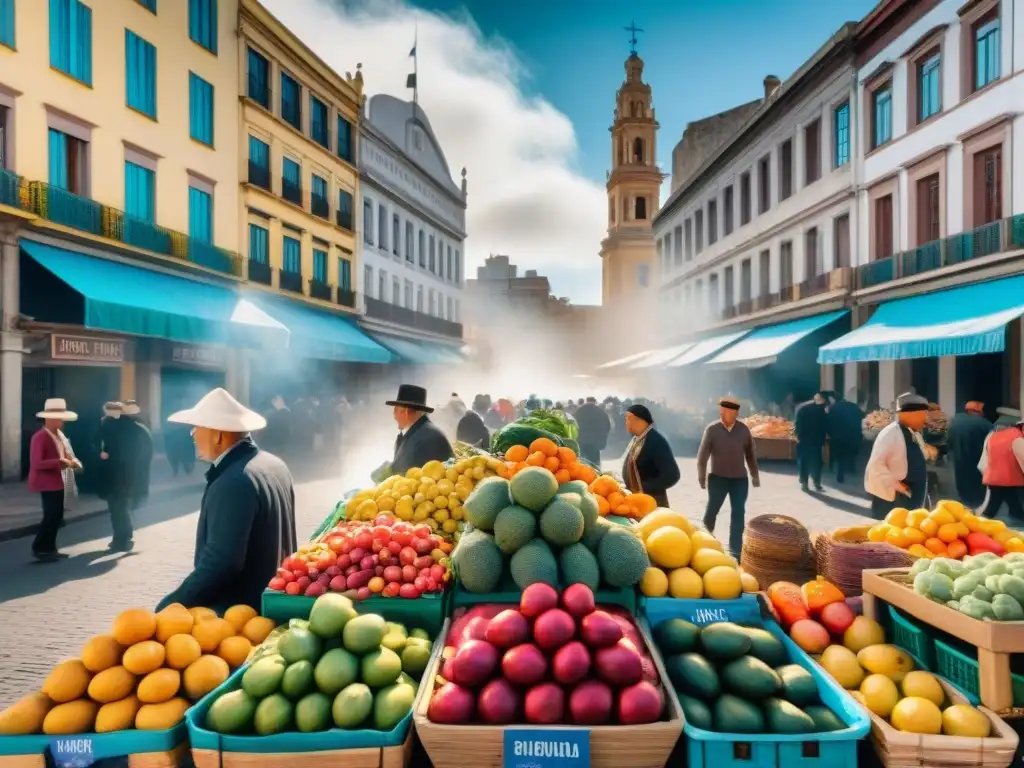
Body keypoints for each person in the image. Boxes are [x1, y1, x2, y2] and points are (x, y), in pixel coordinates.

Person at [156, 388, 297, 612]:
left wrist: (173, 604)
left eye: (197, 428)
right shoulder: (274, 465)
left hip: (241, 615)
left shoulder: (235, 481)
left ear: (218, 435)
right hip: (272, 599)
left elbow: (221, 562)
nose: (192, 434)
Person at [697, 397, 760, 557]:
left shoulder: (744, 430)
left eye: (731, 412)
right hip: (718, 479)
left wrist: (754, 475)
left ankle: (735, 551)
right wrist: (701, 477)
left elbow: (751, 454)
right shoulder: (712, 429)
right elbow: (703, 455)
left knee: (738, 513)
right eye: (725, 411)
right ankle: (704, 542)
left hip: (739, 480)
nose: (726, 414)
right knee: (712, 510)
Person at [28, 398, 82, 562]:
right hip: (47, 483)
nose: (62, 421)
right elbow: (37, 463)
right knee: (51, 516)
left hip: (59, 481)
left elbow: (65, 454)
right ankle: (40, 548)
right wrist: (60, 462)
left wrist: (72, 461)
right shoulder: (40, 437)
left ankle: (50, 548)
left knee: (57, 517)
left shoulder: (59, 436)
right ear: (49, 418)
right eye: (59, 418)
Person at [864, 392, 930, 518]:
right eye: (923, 414)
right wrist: (900, 487)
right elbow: (876, 465)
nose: (925, 419)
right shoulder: (890, 433)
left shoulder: (913, 433)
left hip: (910, 496)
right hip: (894, 498)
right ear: (911, 414)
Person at [621, 404, 680, 508]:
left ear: (640, 420)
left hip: (653, 503)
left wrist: (644, 488)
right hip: (636, 502)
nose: (626, 423)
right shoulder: (636, 439)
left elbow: (672, 475)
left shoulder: (655, 441)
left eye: (629, 419)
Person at [388, 385, 454, 475]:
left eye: (396, 410)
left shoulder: (428, 439)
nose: (394, 416)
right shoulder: (418, 432)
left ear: (406, 412)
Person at [977, 409, 1024, 520]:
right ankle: (978, 524)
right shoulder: (1017, 436)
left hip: (995, 477)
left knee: (1013, 504)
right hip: (1012, 478)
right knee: (993, 507)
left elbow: (985, 458)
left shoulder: (992, 436)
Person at [947, 401, 992, 508]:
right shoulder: (985, 424)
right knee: (977, 484)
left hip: (958, 457)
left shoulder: (955, 421)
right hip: (978, 459)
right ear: (978, 411)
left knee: (962, 480)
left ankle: (964, 504)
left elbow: (948, 440)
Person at [122, 400, 154, 512]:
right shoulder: (129, 426)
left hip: (137, 461)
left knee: (137, 481)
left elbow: (146, 447)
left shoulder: (139, 428)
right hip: (132, 461)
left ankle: (136, 502)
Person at [827, 389, 863, 483]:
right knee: (850, 453)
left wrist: (830, 433)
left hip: (838, 435)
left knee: (839, 454)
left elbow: (829, 421)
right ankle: (851, 469)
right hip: (852, 434)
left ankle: (839, 472)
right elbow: (861, 419)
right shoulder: (855, 407)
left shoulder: (834, 408)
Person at [795, 393, 828, 492]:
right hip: (816, 441)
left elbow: (798, 424)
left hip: (804, 440)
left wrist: (798, 435)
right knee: (817, 462)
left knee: (804, 461)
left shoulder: (803, 409)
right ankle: (816, 482)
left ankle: (804, 483)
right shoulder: (822, 411)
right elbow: (826, 425)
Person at [575, 396, 612, 466]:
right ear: (594, 401)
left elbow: (573, 424)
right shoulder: (600, 411)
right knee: (595, 463)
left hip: (581, 440)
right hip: (594, 442)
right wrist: (603, 437)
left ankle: (583, 475)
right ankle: (597, 475)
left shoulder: (579, 410)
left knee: (582, 462)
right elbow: (607, 426)